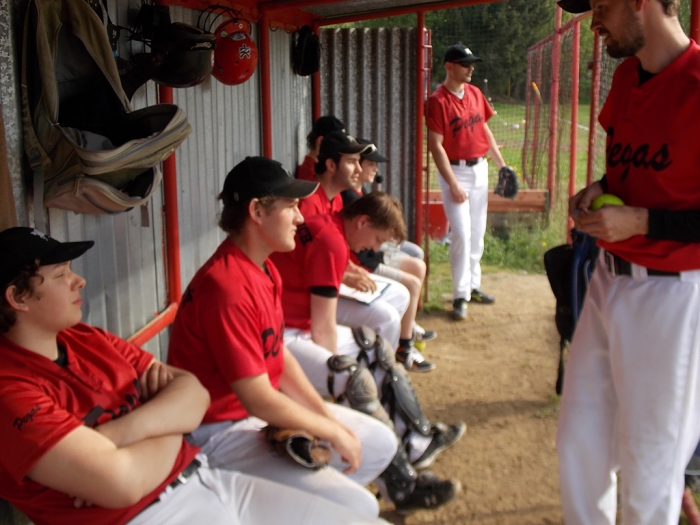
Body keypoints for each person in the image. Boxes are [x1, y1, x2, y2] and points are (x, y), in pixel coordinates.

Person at [0, 227, 389, 525]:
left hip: (204, 478)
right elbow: (123, 483)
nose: (78, 280)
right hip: (146, 516)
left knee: (360, 511)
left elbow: (194, 393)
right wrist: (171, 421)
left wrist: (116, 437)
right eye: (59, 275)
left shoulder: (86, 338)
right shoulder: (9, 389)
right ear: (18, 298)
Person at [167, 156, 397, 519]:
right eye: (290, 206)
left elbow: (278, 356)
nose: (300, 217)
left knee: (380, 442)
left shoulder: (265, 268)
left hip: (248, 418)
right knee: (358, 505)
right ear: (257, 212)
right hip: (217, 431)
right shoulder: (226, 287)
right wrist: (330, 430)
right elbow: (258, 398)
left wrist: (326, 418)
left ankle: (301, 507)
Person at [555, 1, 700, 523]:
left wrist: (641, 222)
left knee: (649, 471)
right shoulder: (625, 78)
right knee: (580, 444)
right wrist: (601, 189)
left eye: (602, 5)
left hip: (672, 295)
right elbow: (631, 172)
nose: (594, 20)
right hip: (607, 278)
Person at [271, 192, 466, 513]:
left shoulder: (329, 229)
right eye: (377, 239)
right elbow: (323, 327)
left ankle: (415, 443)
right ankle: (403, 487)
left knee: (375, 348)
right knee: (352, 377)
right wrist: (332, 371)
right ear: (362, 222)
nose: (374, 249)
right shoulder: (330, 238)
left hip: (294, 326)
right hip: (284, 335)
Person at [304, 131, 433, 371]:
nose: (358, 168)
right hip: (306, 299)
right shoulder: (310, 202)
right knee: (386, 318)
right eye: (352, 161)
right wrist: (346, 273)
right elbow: (311, 260)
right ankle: (381, 373)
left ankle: (388, 361)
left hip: (324, 284)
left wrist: (349, 268)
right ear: (331, 165)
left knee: (400, 296)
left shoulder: (336, 200)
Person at [427, 44, 507, 320]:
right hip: (455, 172)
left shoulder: (474, 93)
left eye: (472, 63)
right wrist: (452, 184)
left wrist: (502, 165)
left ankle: (473, 286)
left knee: (477, 232)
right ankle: (460, 294)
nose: (470, 67)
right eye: (465, 63)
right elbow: (436, 146)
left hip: (479, 169)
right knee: (461, 233)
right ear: (449, 66)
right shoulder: (438, 100)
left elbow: (484, 129)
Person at [341, 139, 438, 368]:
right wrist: (349, 271)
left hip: (361, 262)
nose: (374, 169)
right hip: (365, 263)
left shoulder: (359, 192)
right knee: (403, 295)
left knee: (415, 262)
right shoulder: (347, 197)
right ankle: (403, 346)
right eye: (368, 163)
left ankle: (407, 329)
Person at [296, 115, 346, 182]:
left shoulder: (319, 171)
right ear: (321, 141)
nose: (340, 148)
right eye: (337, 143)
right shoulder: (312, 176)